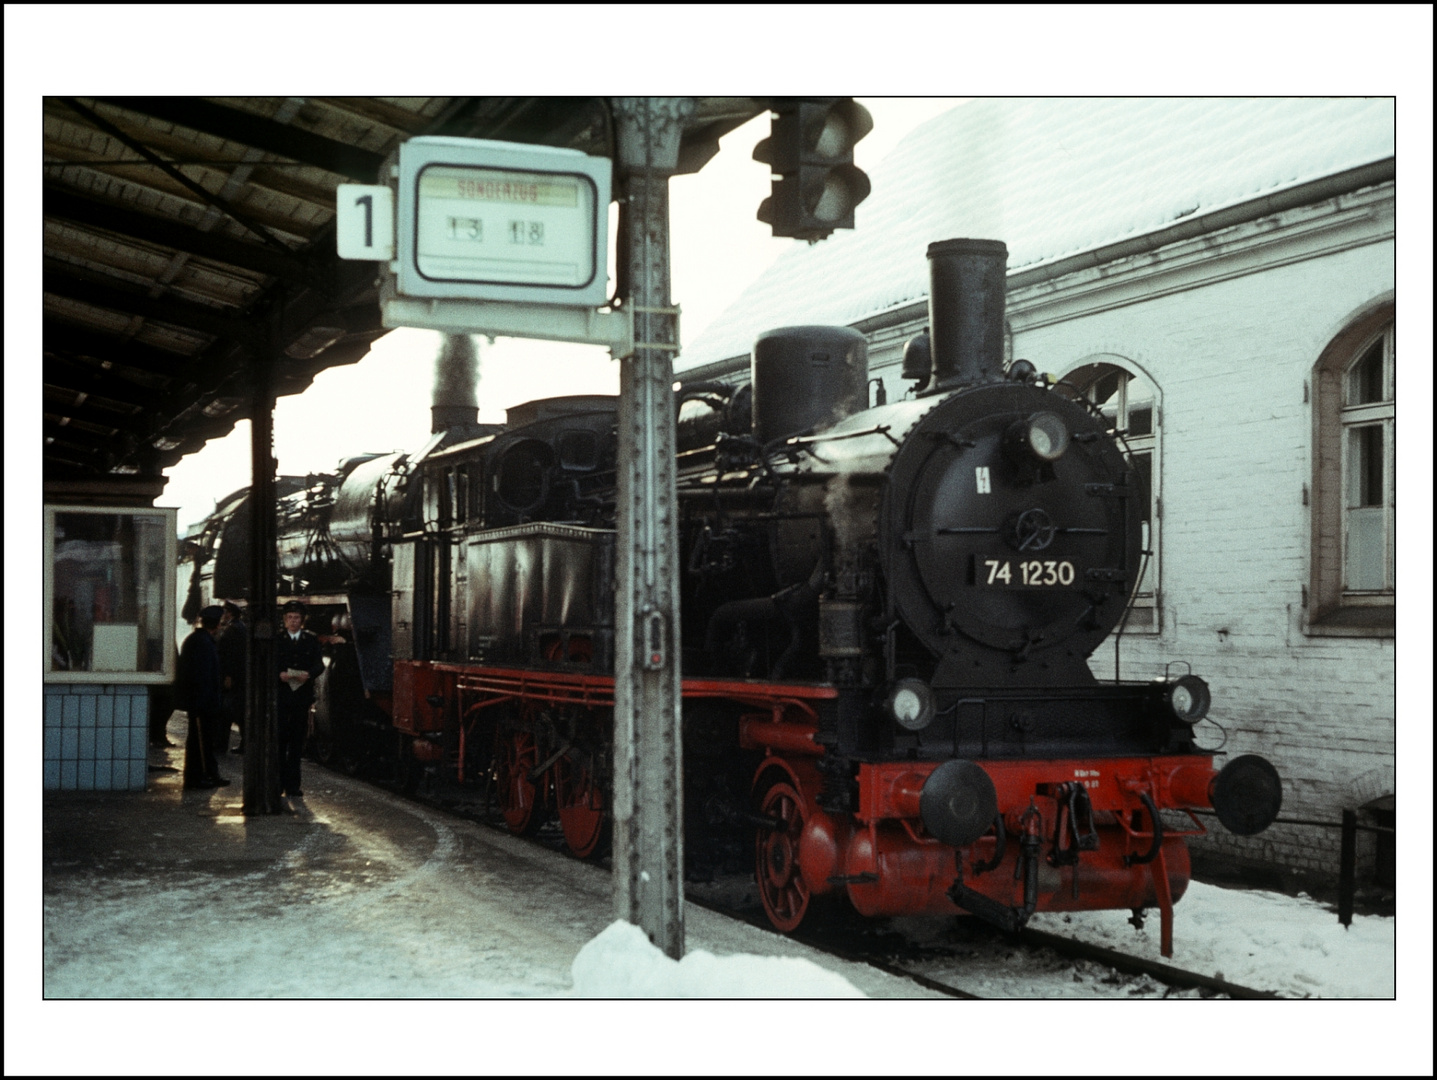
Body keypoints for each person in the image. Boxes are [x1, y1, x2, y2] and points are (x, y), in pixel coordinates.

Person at [275, 600, 323, 798]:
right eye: (290, 618)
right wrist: (278, 674)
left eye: (297, 618)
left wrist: (309, 674)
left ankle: (293, 786)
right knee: (280, 742)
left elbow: (319, 664)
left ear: (302, 621)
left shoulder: (311, 640)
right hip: (282, 696)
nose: (293, 621)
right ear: (285, 620)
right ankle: (278, 784)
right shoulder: (277, 640)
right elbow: (268, 662)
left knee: (296, 743)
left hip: (301, 697)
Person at [178, 605, 228, 789]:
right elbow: (203, 676)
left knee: (203, 741)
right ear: (216, 624)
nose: (223, 626)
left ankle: (207, 775)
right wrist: (207, 702)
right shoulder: (203, 643)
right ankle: (197, 778)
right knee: (200, 741)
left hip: (201, 701)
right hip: (202, 702)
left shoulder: (200, 640)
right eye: (221, 623)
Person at [216, 600, 249, 754]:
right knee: (240, 711)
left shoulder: (231, 630)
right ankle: (244, 743)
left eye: (224, 612)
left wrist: (228, 675)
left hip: (232, 677)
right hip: (240, 676)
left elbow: (229, 655)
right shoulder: (241, 627)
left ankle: (221, 744)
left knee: (226, 712)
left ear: (229, 614)